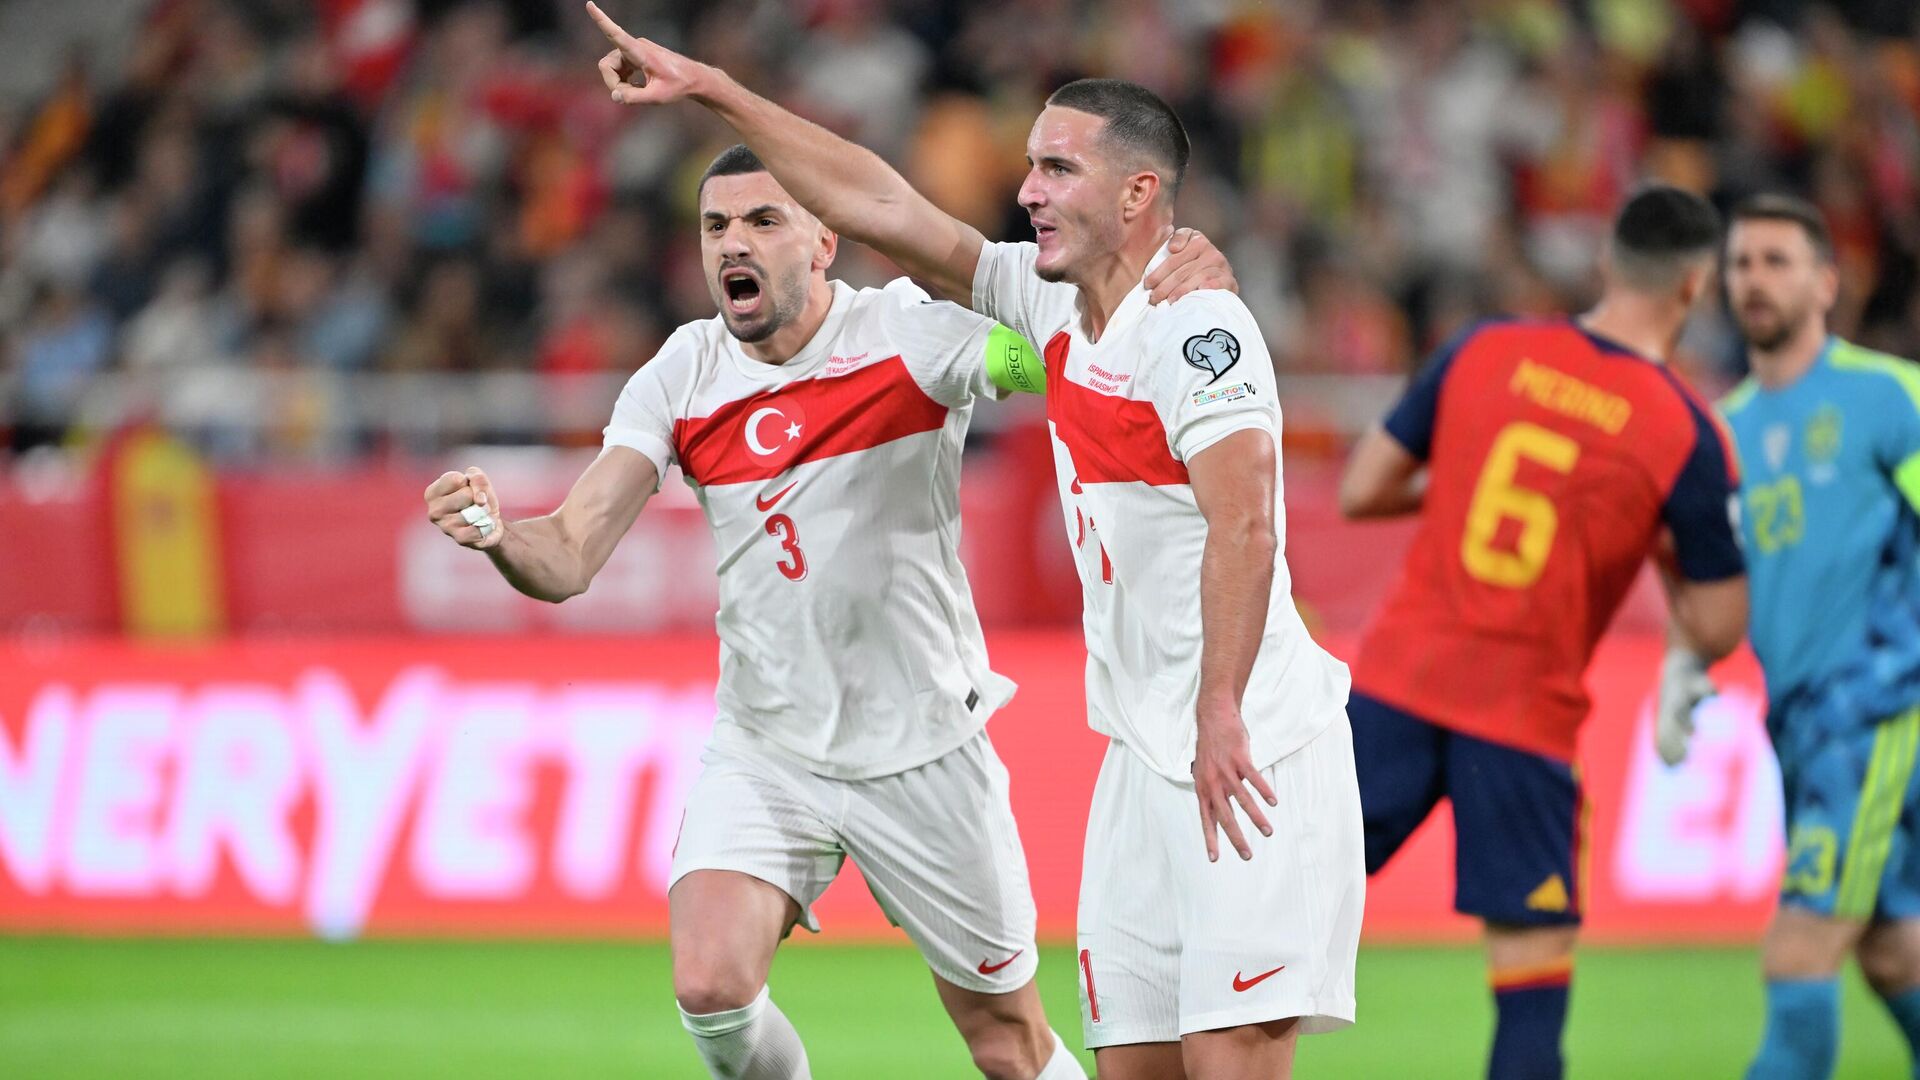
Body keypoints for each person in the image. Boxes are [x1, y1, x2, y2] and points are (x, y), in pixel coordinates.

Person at [583, 7, 1363, 1078]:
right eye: (1031, 165)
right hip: (1142, 754)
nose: (1028, 188)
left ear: (1138, 194)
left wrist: (1221, 708)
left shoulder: (1199, 328)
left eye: (1058, 168)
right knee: (1131, 1064)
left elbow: (1246, 520)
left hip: (1250, 747)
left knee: (1225, 1057)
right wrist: (714, 89)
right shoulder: (1045, 309)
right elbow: (880, 204)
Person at [426, 142, 1223, 1079]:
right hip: (770, 746)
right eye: (717, 226)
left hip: (922, 747)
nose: (735, 242)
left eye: (764, 221)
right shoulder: (683, 374)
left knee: (1007, 1044)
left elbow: (1057, 361)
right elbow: (567, 554)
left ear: (824, 243)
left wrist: (1167, 312)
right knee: (712, 987)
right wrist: (498, 536)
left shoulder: (908, 335)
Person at [1338, 186, 1750, 1080]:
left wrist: (1456, 485)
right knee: (1530, 966)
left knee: (1268, 920)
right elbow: (1720, 623)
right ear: (1695, 287)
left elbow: (1362, 488)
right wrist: (1653, 543)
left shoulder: (1486, 347)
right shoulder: (1686, 432)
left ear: (1605, 261)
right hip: (1522, 718)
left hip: (1398, 683)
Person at [1691, 194, 1920, 1080]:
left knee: (1799, 951)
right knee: (1892, 951)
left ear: (1827, 283)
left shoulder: (1887, 395)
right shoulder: (1726, 432)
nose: (1754, 279)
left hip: (1875, 708)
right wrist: (1680, 664)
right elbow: (1713, 577)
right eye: (1741, 263)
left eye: (1776, 261)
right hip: (1796, 721)